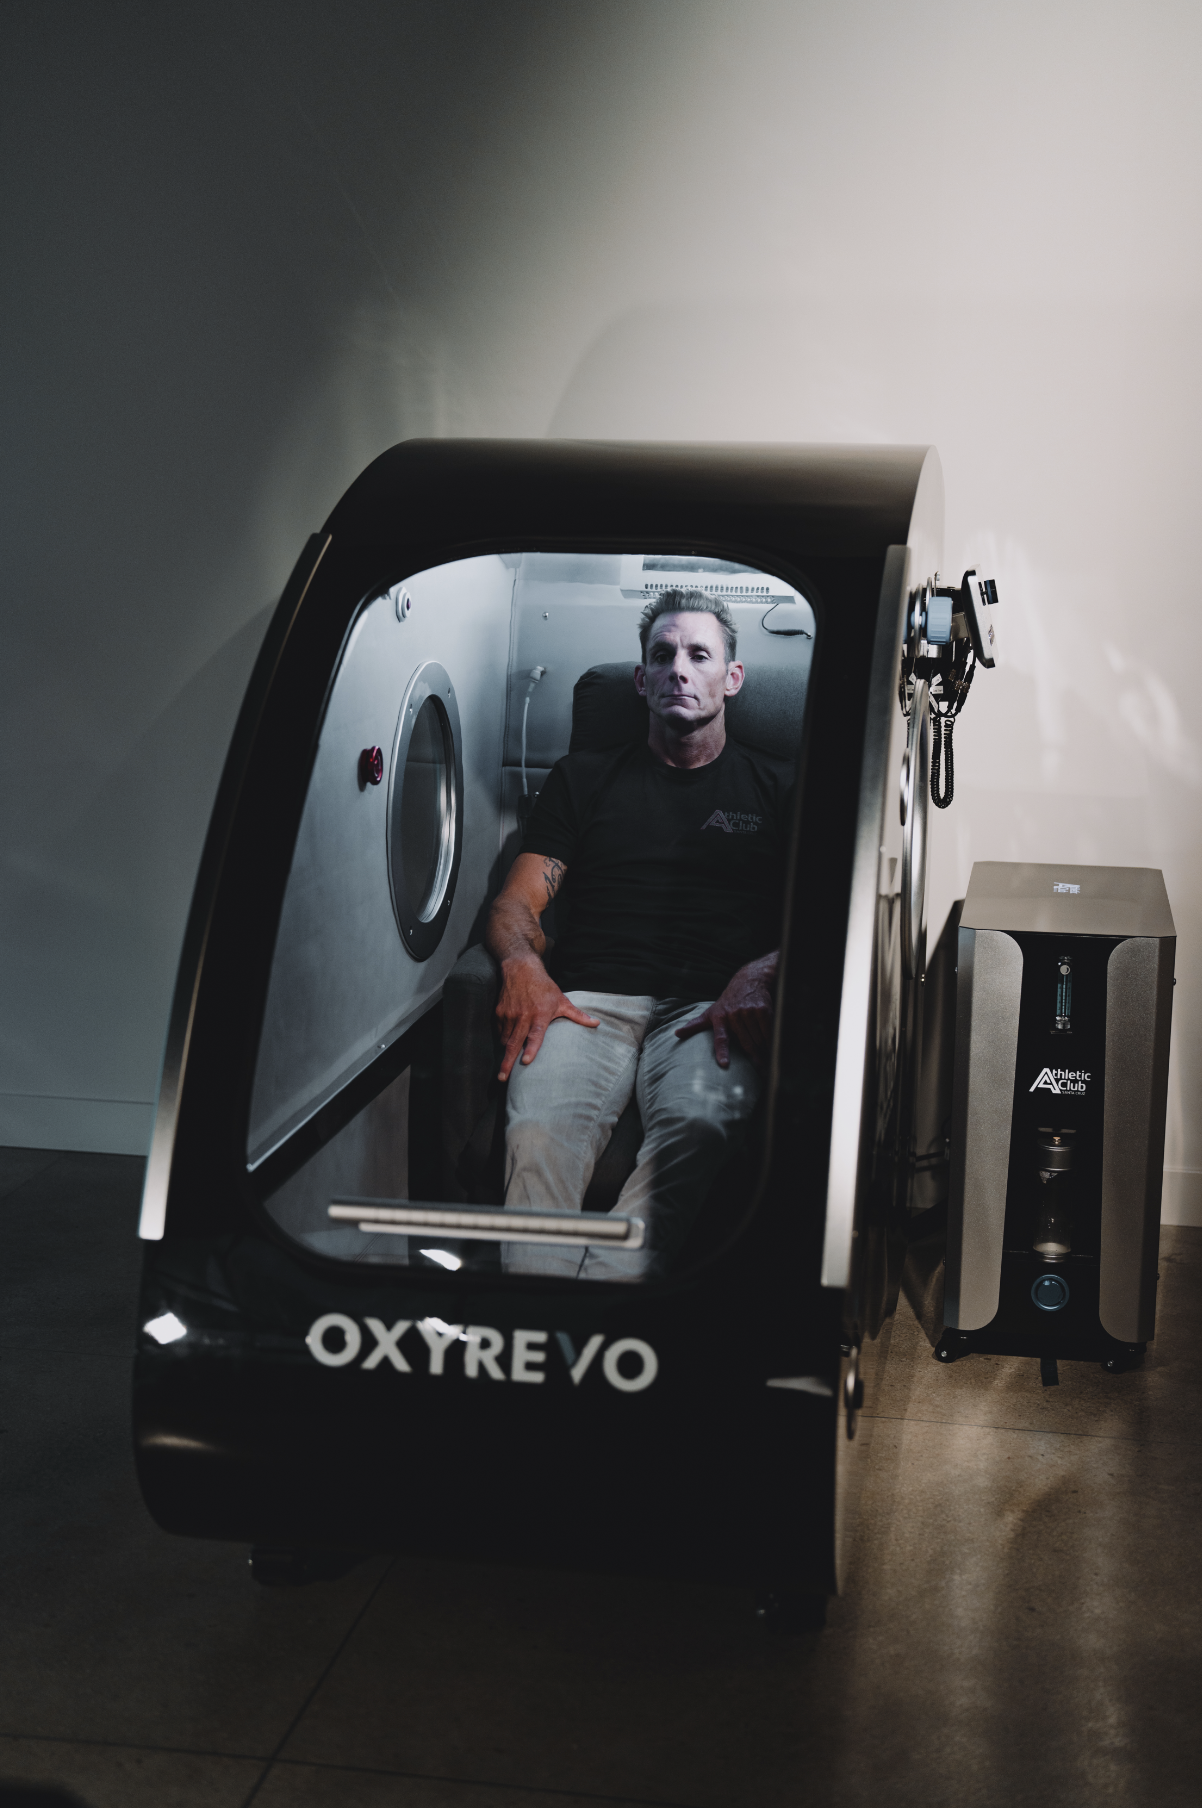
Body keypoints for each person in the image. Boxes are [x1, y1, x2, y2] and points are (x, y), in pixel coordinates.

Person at [485, 588, 792, 1279]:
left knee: (703, 1129)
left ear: (731, 678)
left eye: (699, 654)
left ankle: (597, 1317)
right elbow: (515, 905)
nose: (680, 669)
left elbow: (828, 914)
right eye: (663, 655)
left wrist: (765, 969)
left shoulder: (779, 788)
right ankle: (536, 1325)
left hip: (706, 1012)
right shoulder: (584, 777)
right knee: (535, 1135)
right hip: (585, 1003)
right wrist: (523, 967)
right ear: (642, 680)